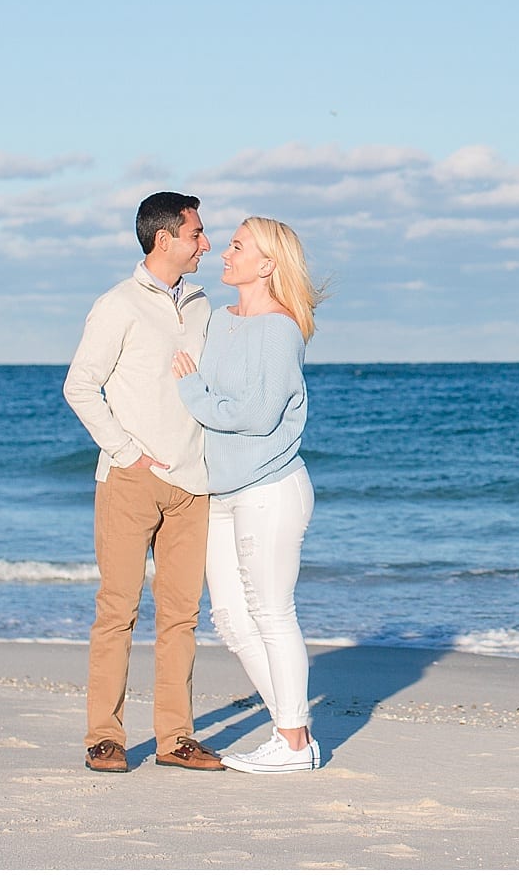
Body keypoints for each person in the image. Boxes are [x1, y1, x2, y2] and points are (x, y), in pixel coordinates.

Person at [61, 191, 223, 773]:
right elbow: (80, 386)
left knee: (182, 617)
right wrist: (128, 453)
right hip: (130, 481)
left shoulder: (204, 305)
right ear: (165, 239)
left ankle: (175, 739)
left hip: (193, 484)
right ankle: (103, 737)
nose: (206, 243)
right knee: (117, 611)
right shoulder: (118, 304)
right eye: (197, 233)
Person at [171, 215, 325, 774]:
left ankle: (290, 742)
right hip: (222, 490)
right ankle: (294, 731)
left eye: (237, 246)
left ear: (267, 265)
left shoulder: (280, 330)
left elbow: (259, 417)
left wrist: (192, 393)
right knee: (232, 619)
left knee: (270, 612)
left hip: (271, 488)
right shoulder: (219, 318)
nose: (224, 253)